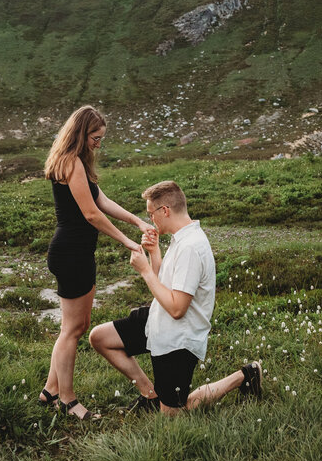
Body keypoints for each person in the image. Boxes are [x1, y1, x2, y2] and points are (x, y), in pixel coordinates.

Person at [89, 180, 262, 415]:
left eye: (151, 214)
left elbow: (178, 309)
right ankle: (150, 394)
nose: (151, 220)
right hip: (157, 320)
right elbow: (165, 284)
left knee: (173, 415)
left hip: (178, 339)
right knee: (99, 338)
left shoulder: (190, 247)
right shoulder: (180, 237)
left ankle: (244, 376)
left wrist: (145, 271)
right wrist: (154, 253)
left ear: (165, 211)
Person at [40, 105, 153, 420]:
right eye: (95, 137)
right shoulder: (71, 163)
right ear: (81, 133)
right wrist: (128, 242)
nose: (98, 144)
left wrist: (138, 222)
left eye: (101, 138)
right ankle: (67, 400)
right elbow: (91, 214)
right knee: (72, 330)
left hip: (76, 252)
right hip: (71, 253)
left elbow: (102, 200)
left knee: (76, 327)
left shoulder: (78, 163)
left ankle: (50, 390)